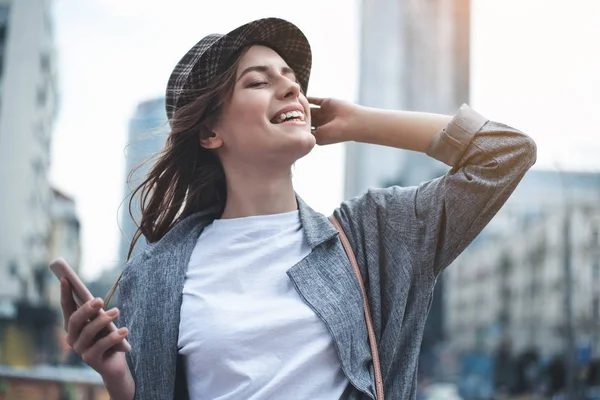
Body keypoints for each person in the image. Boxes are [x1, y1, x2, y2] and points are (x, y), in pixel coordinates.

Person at [59, 17, 537, 400]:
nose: (291, 89)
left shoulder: (372, 237)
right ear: (210, 133)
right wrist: (118, 381)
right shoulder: (156, 273)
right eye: (258, 82)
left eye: (291, 80)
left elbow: (506, 152)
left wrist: (360, 121)